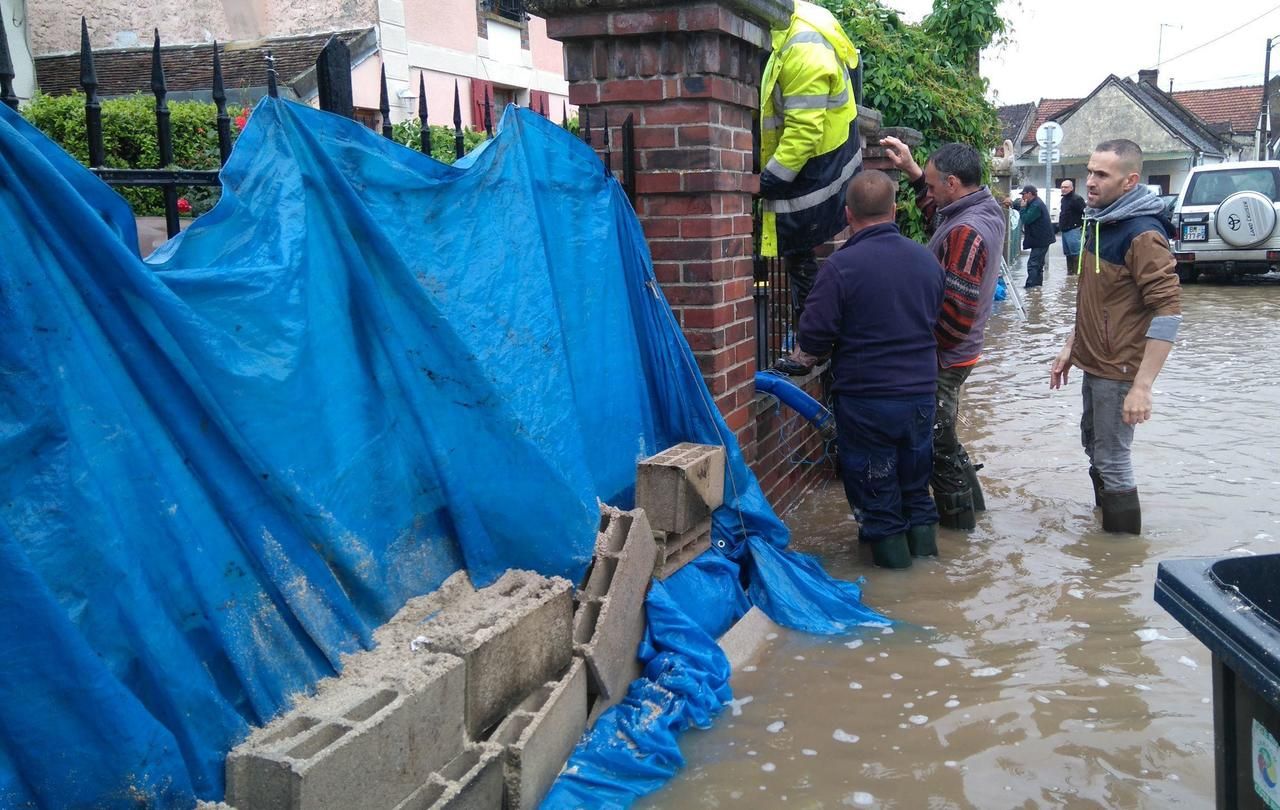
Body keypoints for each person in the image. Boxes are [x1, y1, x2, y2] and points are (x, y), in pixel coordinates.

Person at [794, 170, 945, 568]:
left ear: (847, 214)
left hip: (867, 402)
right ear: (895, 210)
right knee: (915, 488)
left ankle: (896, 586)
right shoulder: (926, 260)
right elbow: (938, 321)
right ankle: (931, 578)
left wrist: (798, 362)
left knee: (877, 495)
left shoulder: (840, 267)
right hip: (920, 397)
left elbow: (813, 341)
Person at [1050, 139, 1181, 534]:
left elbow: (1169, 312)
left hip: (1119, 367)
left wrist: (1142, 386)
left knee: (1112, 458)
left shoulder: (1142, 234)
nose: (1090, 181)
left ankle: (1120, 559)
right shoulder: (1100, 219)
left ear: (1130, 181)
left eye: (1101, 174)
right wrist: (1071, 346)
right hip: (1095, 360)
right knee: (1096, 448)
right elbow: (1097, 297)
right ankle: (1104, 546)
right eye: (1089, 171)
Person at [879, 137, 1005, 531]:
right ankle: (974, 514)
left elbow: (956, 314)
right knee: (945, 438)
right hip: (960, 353)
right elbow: (941, 218)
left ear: (953, 183)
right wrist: (915, 173)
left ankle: (960, 532)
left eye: (933, 186)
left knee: (936, 446)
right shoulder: (983, 208)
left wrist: (923, 353)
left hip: (946, 356)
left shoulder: (968, 231)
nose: (927, 192)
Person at [759, 0, 863, 323]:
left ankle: (812, 347)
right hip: (823, 166)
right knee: (801, 259)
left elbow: (803, 132)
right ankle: (813, 344)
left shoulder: (802, 47)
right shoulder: (794, 28)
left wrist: (768, 180)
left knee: (802, 256)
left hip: (817, 171)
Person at [1019, 184, 1054, 287]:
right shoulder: (1035, 203)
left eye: (1024, 194)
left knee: (1033, 264)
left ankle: (1031, 287)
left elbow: (1026, 219)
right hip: (1042, 239)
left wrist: (1022, 208)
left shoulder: (1036, 205)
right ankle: (1037, 288)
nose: (1022, 197)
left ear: (1030, 194)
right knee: (1038, 265)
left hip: (1040, 240)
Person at [1059, 179, 1086, 274]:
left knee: (1076, 253)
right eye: (1062, 187)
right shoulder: (1063, 199)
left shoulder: (1076, 199)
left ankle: (1078, 274)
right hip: (1064, 230)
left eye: (1066, 187)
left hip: (1074, 229)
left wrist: (1082, 226)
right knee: (1068, 254)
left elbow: (1085, 212)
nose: (1063, 189)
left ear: (1071, 188)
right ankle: (1070, 274)